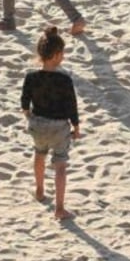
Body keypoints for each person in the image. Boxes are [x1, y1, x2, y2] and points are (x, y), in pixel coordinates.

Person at [20, 26, 80, 220]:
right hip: (59, 127)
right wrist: (76, 127)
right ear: (56, 55)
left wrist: (29, 116)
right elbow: (72, 106)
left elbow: (24, 101)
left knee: (39, 155)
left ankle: (39, 190)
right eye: (62, 53)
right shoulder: (64, 80)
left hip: (38, 124)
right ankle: (60, 208)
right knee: (60, 165)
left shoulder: (31, 77)